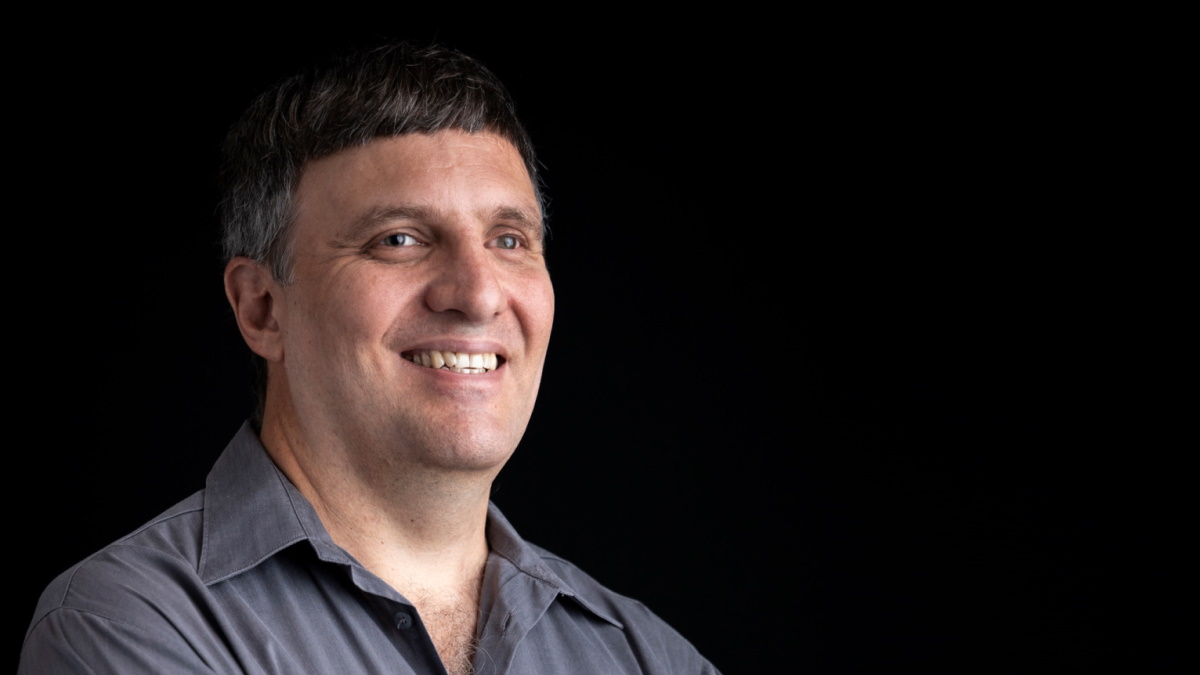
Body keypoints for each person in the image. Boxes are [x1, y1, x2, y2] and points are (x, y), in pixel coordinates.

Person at [18, 42, 719, 674]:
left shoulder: (648, 655)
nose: (479, 294)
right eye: (399, 239)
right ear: (262, 308)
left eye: (508, 240)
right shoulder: (126, 626)